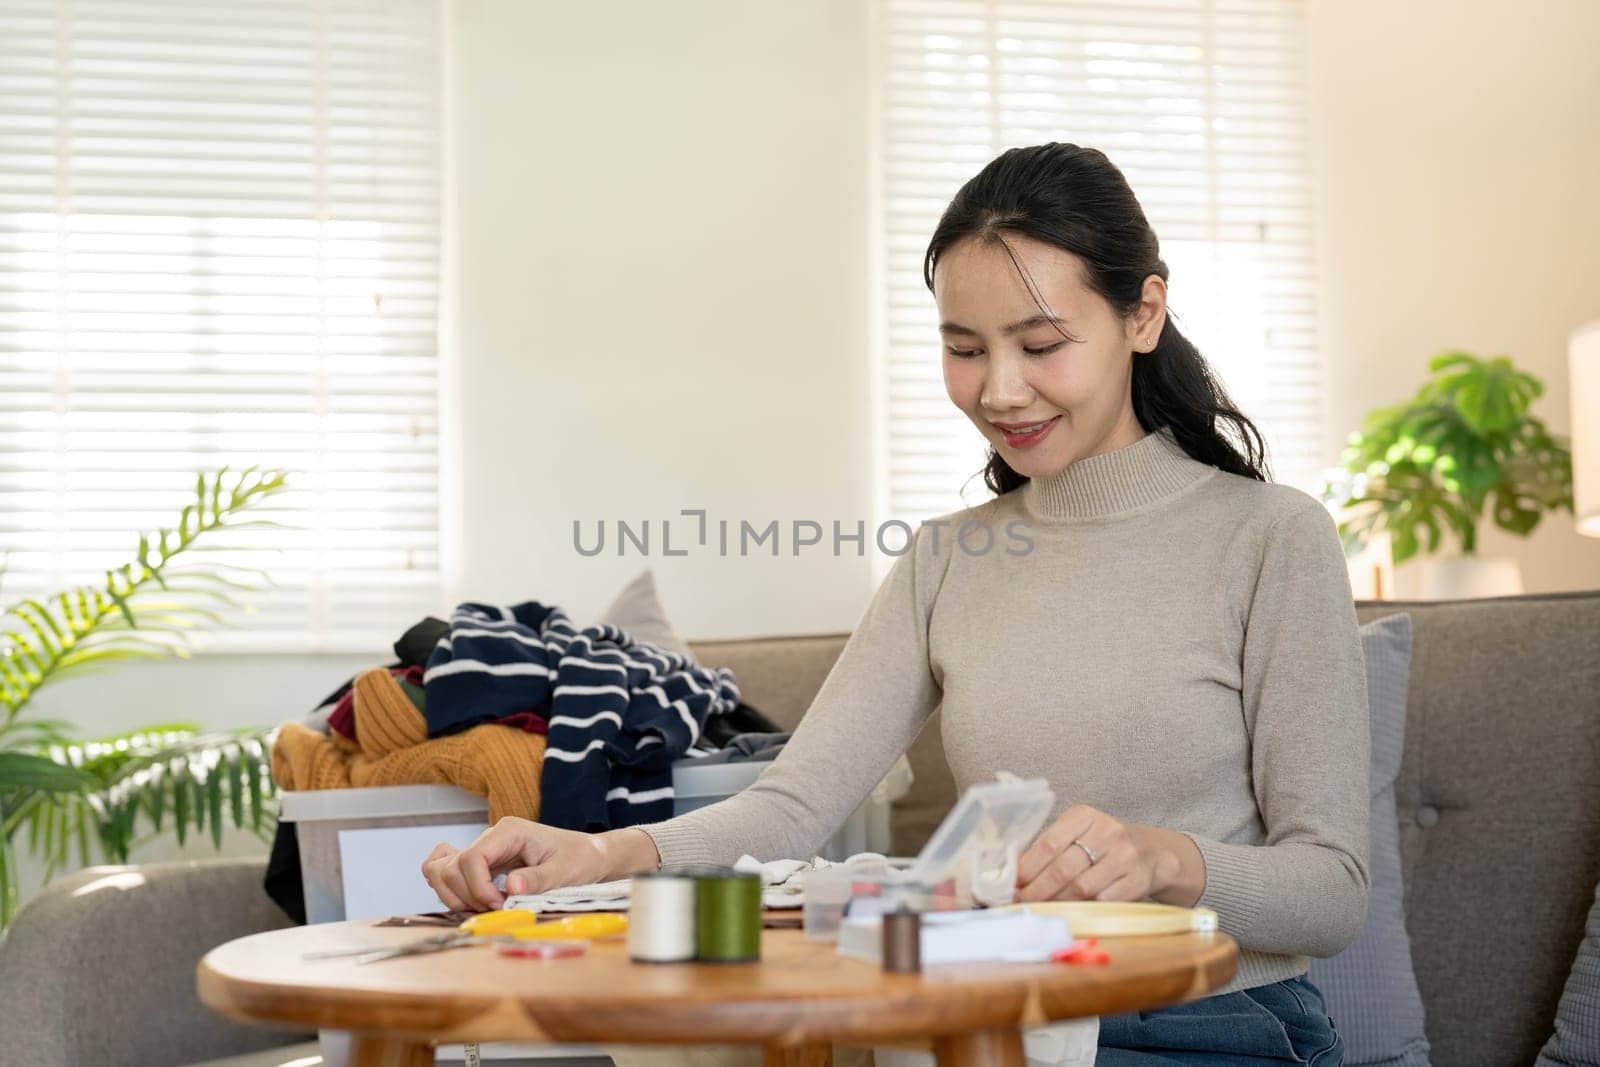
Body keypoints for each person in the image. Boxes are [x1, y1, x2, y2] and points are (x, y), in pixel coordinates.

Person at [422, 142, 1368, 1066]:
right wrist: (598, 856)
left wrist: (1168, 859)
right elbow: (793, 806)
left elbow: (1331, 889)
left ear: (1143, 314)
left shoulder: (1271, 538)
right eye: (964, 349)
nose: (1000, 390)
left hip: (1208, 1021)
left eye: (1041, 344)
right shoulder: (947, 557)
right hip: (997, 1018)